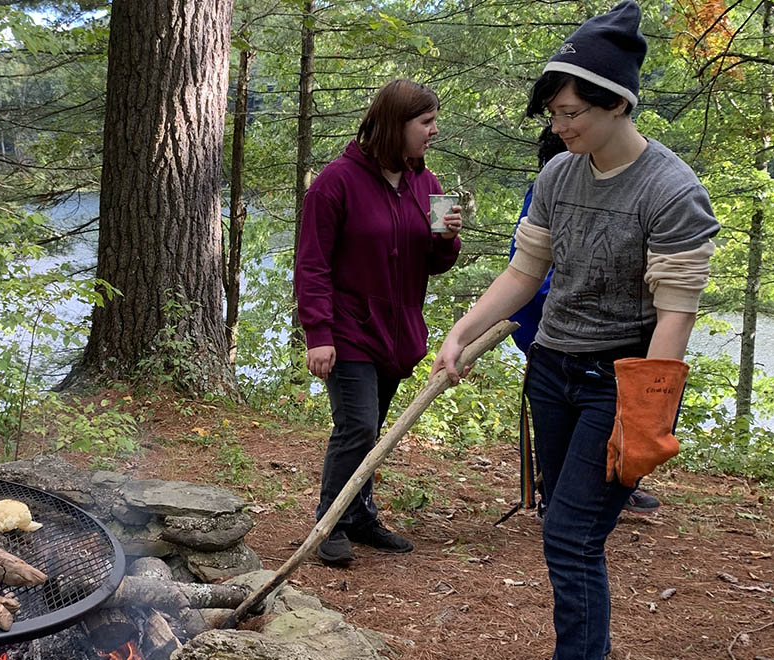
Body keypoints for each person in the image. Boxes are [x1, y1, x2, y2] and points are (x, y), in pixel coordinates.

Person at [432, 3, 719, 659]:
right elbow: (525, 270)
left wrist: (649, 413)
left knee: (571, 537)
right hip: (552, 373)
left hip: (615, 384)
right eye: (553, 114)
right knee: (564, 526)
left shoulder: (672, 191)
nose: (559, 127)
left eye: (571, 113)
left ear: (617, 103)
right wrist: (462, 329)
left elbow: (675, 311)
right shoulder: (560, 173)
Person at [295, 79, 463, 566]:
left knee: (372, 431)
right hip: (348, 330)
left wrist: (447, 238)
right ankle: (329, 520)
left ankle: (360, 515)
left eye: (433, 121)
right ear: (396, 124)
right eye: (425, 122)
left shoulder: (424, 184)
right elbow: (312, 265)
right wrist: (318, 335)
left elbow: (435, 262)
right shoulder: (336, 182)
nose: (433, 131)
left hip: (397, 333)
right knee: (357, 427)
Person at [509, 127, 662, 519]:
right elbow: (528, 272)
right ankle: (553, 495)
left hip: (614, 349)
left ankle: (606, 491)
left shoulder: (652, 187)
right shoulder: (551, 187)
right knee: (559, 429)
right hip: (552, 337)